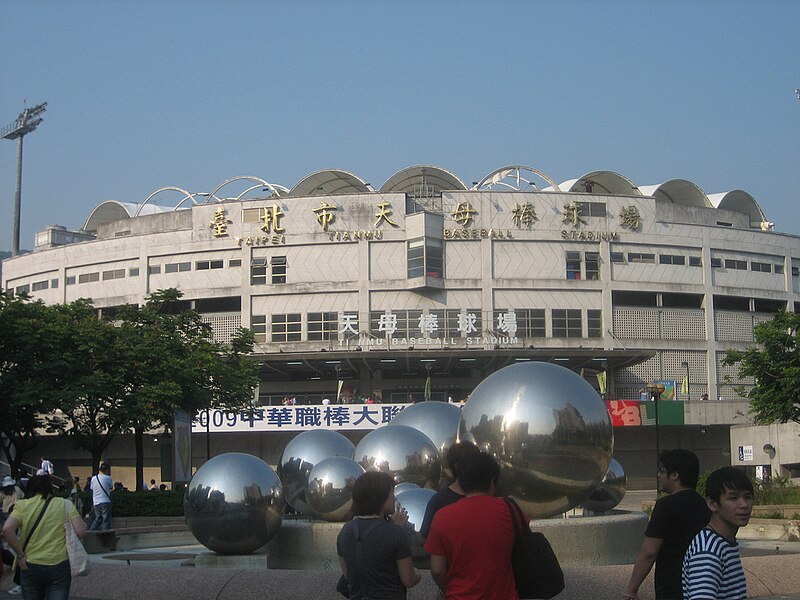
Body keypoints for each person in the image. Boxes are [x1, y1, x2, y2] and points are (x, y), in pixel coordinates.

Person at [424, 451, 522, 600]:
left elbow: (437, 570)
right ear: (491, 482)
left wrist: (447, 589)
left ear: (461, 481)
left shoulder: (442, 517)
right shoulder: (511, 510)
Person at [624, 449, 710, 600]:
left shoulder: (665, 506)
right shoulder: (704, 505)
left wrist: (631, 590)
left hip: (672, 587)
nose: (658, 475)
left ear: (675, 475)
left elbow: (649, 552)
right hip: (699, 584)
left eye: (662, 470)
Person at [336, 471, 421, 600]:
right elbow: (408, 580)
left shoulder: (345, 531)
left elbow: (349, 575)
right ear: (381, 498)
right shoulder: (396, 533)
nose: (394, 498)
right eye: (391, 493)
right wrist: (418, 574)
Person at [1, 474, 86, 600]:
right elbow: (81, 531)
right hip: (59, 564)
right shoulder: (64, 504)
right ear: (50, 488)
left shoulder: (22, 505)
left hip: (30, 563)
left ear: (30, 489)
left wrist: (20, 555)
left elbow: (7, 529)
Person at [682, 467, 753, 600]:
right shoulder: (707, 551)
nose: (744, 504)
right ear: (712, 504)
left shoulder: (724, 542)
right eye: (733, 498)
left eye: (747, 497)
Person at [419, 441, 480, 543]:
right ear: (457, 466)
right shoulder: (438, 501)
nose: (478, 467)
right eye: (473, 462)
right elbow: (423, 539)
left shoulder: (485, 494)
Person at [88, 463, 113, 531]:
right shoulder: (108, 478)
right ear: (107, 470)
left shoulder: (93, 478)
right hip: (105, 501)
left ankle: (90, 532)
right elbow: (111, 487)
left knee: (98, 519)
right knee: (106, 520)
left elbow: (92, 489)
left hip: (96, 502)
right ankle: (105, 536)